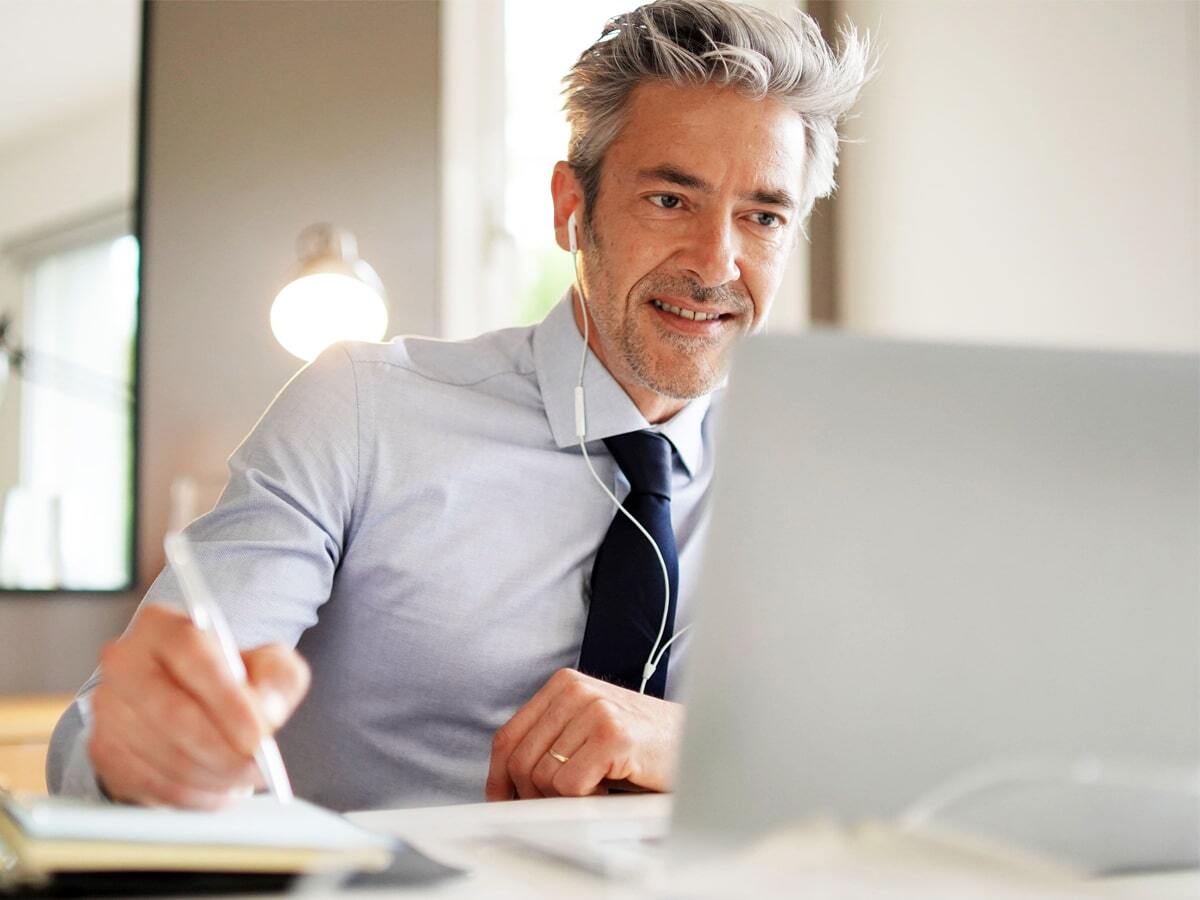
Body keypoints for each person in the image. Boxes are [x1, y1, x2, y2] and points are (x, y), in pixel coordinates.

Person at [48, 0, 871, 812]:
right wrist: (147, 758)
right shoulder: (360, 411)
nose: (715, 262)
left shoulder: (808, 482)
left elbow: (888, 762)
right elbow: (101, 736)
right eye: (670, 200)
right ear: (569, 208)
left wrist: (689, 743)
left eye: (762, 216)